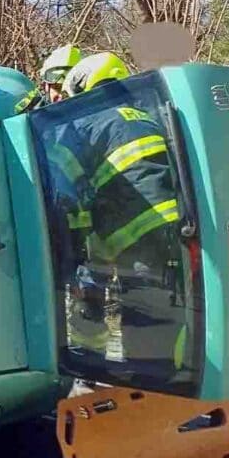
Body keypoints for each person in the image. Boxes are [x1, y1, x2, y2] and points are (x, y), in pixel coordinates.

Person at [55, 52, 185, 374]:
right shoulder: (144, 116)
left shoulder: (85, 123)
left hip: (132, 230)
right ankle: (163, 375)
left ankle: (96, 372)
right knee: (158, 308)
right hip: (174, 228)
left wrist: (70, 243)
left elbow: (61, 184)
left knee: (105, 300)